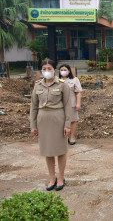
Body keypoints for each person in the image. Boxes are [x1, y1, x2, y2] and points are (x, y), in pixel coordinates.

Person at [30, 59, 72, 191]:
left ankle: (61, 177)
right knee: (47, 151)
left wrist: (67, 124)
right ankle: (52, 177)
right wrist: (33, 125)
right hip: (43, 120)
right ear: (41, 71)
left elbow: (67, 106)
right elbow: (33, 107)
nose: (47, 71)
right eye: (44, 69)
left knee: (60, 150)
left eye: (49, 68)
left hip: (58, 119)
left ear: (55, 70)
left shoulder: (62, 85)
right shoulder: (37, 85)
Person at [59, 64, 82, 145]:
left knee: (72, 121)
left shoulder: (74, 80)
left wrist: (78, 103)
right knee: (60, 121)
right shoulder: (57, 80)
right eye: (61, 70)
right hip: (59, 105)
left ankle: (72, 137)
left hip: (71, 104)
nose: (63, 71)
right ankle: (62, 138)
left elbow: (78, 93)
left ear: (69, 71)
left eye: (65, 70)